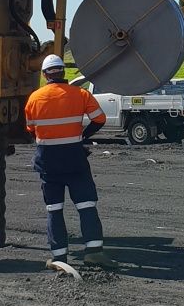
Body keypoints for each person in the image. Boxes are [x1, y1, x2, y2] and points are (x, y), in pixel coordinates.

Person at [25, 54, 117, 270]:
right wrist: (82, 136)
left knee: (54, 208)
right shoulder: (81, 94)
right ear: (62, 72)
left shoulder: (34, 98)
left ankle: (59, 258)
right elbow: (99, 119)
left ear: (45, 74)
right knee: (86, 205)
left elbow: (30, 128)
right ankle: (94, 252)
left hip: (48, 163)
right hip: (75, 160)